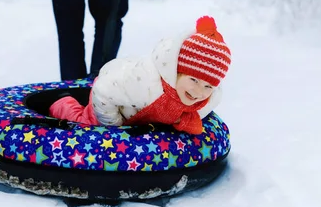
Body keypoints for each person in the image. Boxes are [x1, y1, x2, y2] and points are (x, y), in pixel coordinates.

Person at [48, 16, 232, 135]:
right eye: (194, 79)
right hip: (113, 96)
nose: (199, 91)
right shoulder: (146, 84)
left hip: (137, 111)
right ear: (176, 72)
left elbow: (193, 116)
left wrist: (180, 121)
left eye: (209, 86)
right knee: (87, 122)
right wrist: (115, 127)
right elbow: (103, 90)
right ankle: (61, 102)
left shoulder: (211, 98)